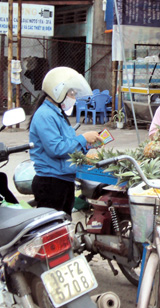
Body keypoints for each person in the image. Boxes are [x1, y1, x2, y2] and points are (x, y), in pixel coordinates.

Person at [29, 67, 102, 216]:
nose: (73, 98)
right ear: (58, 92)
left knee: (64, 226)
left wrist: (89, 143)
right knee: (52, 230)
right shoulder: (45, 115)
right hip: (51, 182)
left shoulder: (58, 114)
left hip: (63, 181)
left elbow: (69, 146)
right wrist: (83, 138)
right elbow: (56, 149)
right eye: (71, 93)